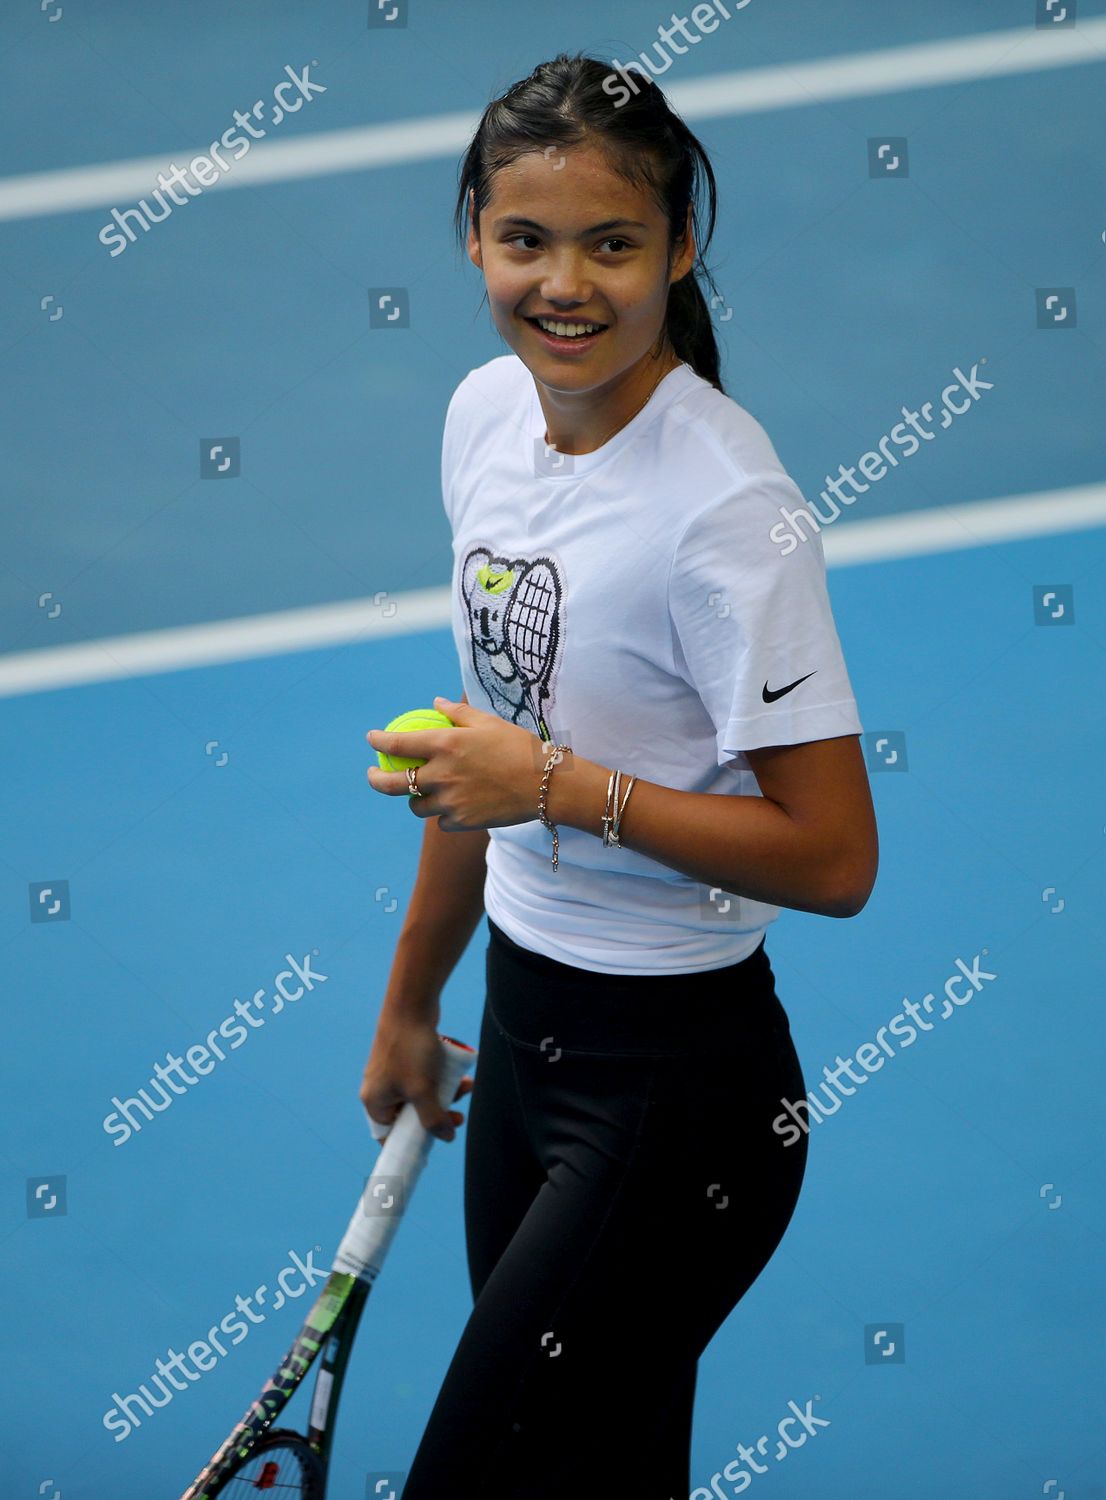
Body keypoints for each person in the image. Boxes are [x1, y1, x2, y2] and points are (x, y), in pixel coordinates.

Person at [359, 51, 878, 1500]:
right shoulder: (483, 417)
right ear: (472, 235)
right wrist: (414, 1003)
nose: (564, 284)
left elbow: (834, 858)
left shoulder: (727, 512)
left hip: (680, 1102)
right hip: (522, 1049)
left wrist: (560, 788)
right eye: (524, 240)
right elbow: (483, 742)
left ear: (678, 247)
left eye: (612, 242)